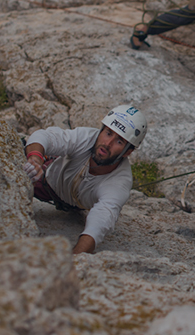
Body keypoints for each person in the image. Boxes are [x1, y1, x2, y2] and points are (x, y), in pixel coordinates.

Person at [22, 105, 148, 254]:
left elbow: (98, 226)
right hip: (44, 179)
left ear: (128, 152)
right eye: (108, 133)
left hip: (70, 203)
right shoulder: (86, 137)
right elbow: (45, 137)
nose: (107, 144)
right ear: (101, 130)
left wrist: (75, 260)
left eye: (119, 141)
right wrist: (35, 160)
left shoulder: (120, 182)